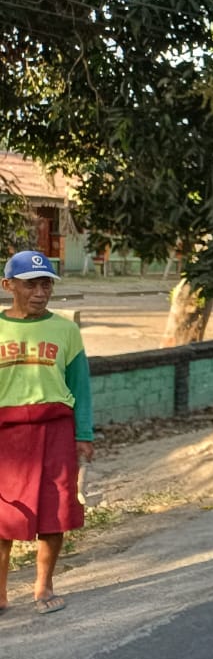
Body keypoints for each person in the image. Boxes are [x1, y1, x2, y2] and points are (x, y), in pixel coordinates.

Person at [0, 251, 93, 616]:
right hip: (6, 434)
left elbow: (80, 386)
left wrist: (83, 434)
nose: (40, 292)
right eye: (31, 284)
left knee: (56, 508)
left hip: (55, 429)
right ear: (9, 286)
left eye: (46, 284)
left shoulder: (66, 330)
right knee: (3, 515)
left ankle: (43, 586)